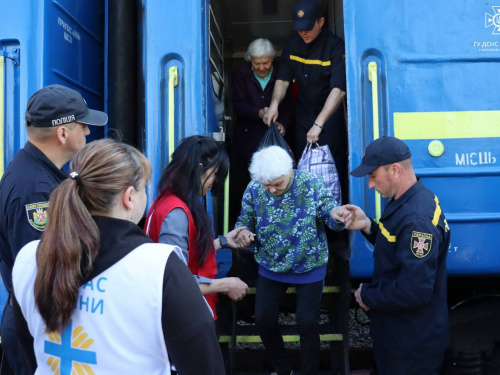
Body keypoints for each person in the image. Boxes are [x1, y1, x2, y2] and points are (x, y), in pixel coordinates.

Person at [12, 139, 225, 374]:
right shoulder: (160, 269)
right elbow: (204, 364)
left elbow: (29, 355)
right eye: (145, 187)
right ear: (129, 197)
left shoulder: (28, 258)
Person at [0, 84, 108, 374]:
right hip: (36, 329)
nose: (88, 132)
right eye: (83, 125)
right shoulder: (35, 192)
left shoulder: (43, 176)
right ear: (62, 133)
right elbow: (43, 274)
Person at [234, 145, 353, 375]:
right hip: (271, 264)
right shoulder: (254, 188)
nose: (272, 190)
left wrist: (337, 215)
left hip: (310, 263)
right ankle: (282, 369)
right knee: (264, 320)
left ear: (290, 170)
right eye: (267, 185)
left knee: (307, 323)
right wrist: (243, 232)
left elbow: (330, 212)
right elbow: (244, 219)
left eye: (277, 184)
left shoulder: (310, 183)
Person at [346, 136, 450, 375]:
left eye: (373, 176)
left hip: (410, 348)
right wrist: (367, 226)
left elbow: (414, 290)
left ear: (395, 170)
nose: (370, 185)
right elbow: (397, 249)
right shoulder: (412, 199)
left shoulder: (416, 220)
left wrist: (367, 295)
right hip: (404, 337)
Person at [145, 135, 248, 319]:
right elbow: (175, 280)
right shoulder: (176, 213)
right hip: (183, 317)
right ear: (200, 169)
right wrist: (226, 284)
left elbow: (184, 254)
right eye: (215, 174)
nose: (214, 182)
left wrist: (222, 242)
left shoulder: (169, 201)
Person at [264, 0, 348, 203]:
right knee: (302, 173)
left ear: (321, 22)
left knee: (332, 174)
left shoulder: (335, 47)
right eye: (299, 28)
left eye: (308, 28)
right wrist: (274, 105)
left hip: (329, 120)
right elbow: (283, 78)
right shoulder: (293, 42)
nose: (303, 33)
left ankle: (336, 226)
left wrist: (319, 124)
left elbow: (339, 90)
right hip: (303, 117)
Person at [231, 38, 294, 226]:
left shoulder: (281, 73)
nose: (262, 68)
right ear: (250, 60)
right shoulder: (241, 74)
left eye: (266, 63)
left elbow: (289, 105)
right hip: (248, 137)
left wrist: (283, 123)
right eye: (257, 63)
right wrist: (258, 112)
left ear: (272, 60)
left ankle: (279, 224)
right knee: (250, 183)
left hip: (276, 138)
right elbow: (237, 105)